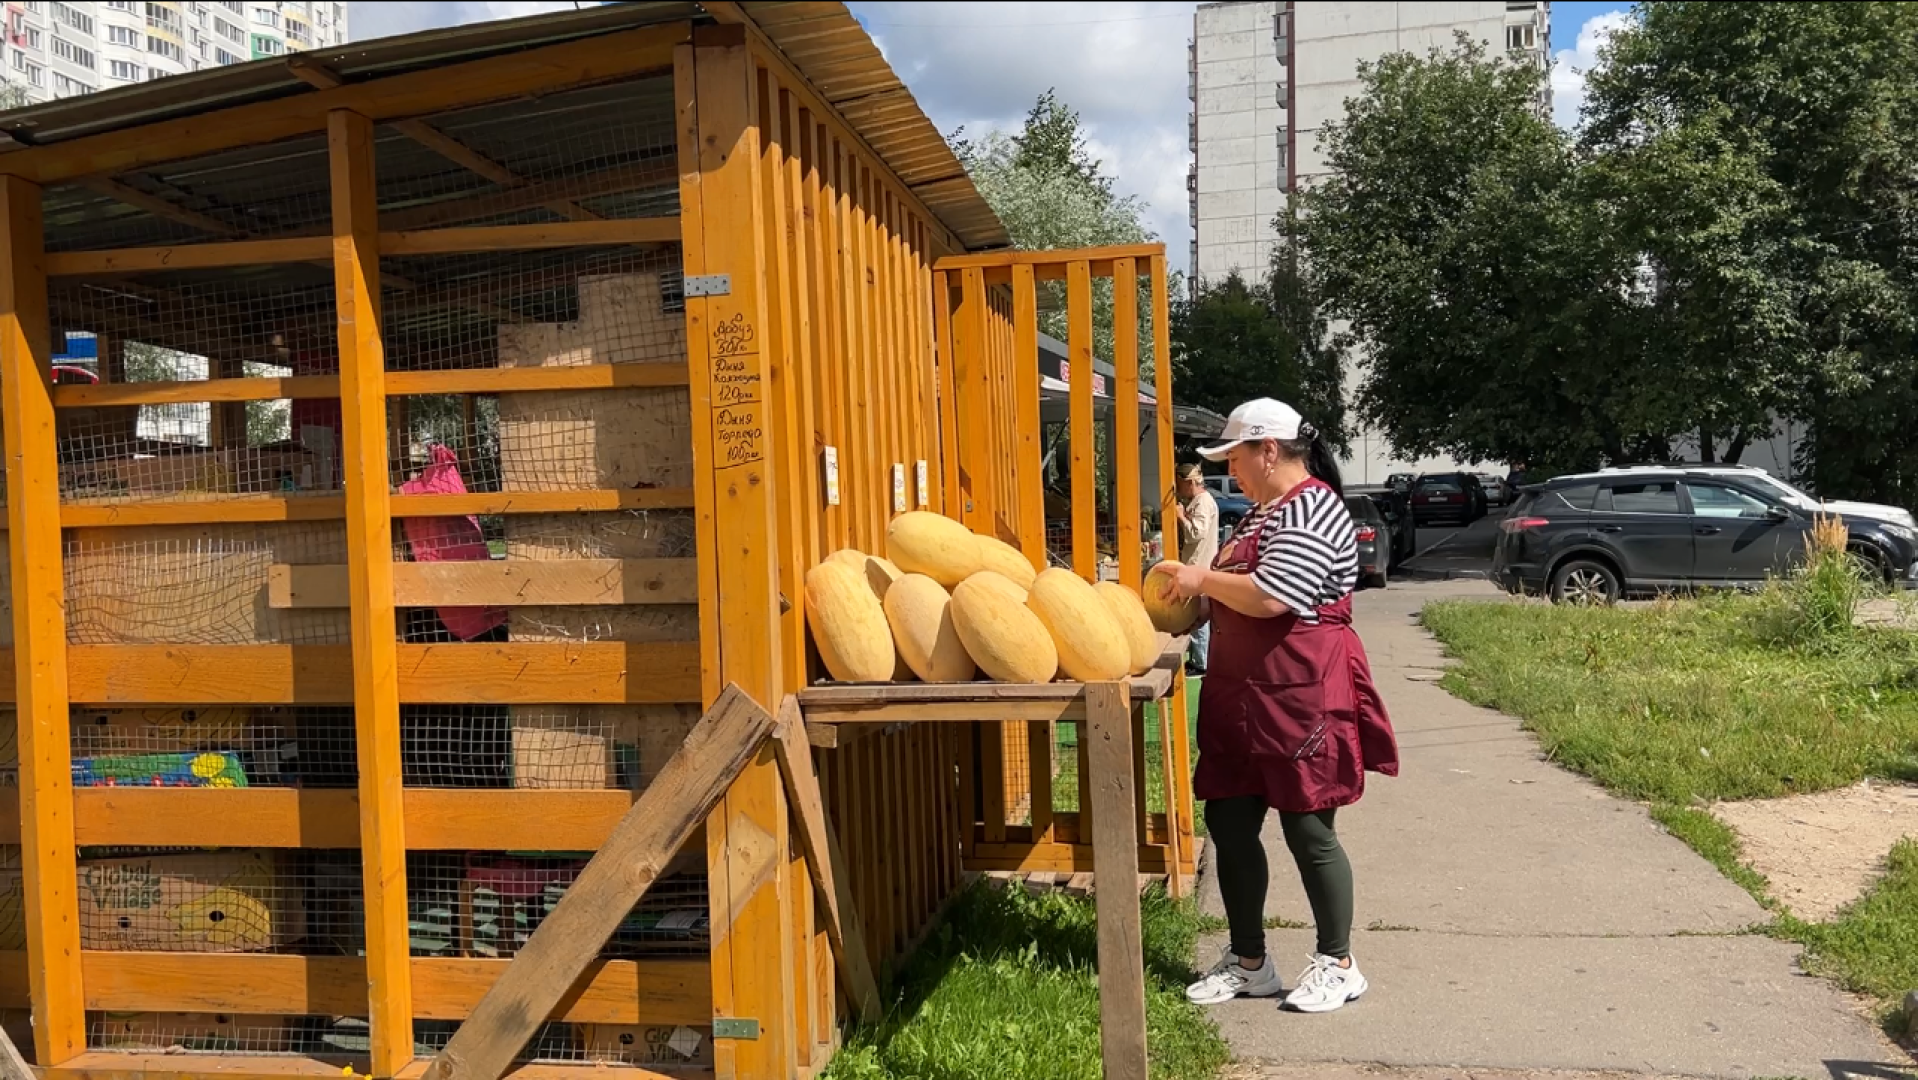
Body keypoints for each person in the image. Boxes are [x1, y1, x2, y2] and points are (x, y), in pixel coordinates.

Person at [1168, 398, 1400, 1014]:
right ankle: (1250, 963)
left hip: (1302, 694)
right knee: (1230, 821)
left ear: (1269, 450)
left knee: (1308, 827)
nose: (1231, 469)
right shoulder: (1258, 515)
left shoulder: (1317, 507)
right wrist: (1185, 601)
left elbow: (1274, 595)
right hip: (1240, 695)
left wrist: (1199, 581)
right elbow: (1231, 597)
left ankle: (1338, 962)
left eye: (1236, 457)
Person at [1174, 462, 1219, 674]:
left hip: (1199, 565)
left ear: (1189, 482)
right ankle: (1199, 658)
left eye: (1180, 484)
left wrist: (1181, 516)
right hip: (1198, 565)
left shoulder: (1202, 502)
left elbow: (1197, 533)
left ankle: (1201, 662)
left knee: (1197, 614)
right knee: (1197, 614)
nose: (1179, 489)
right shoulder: (1201, 501)